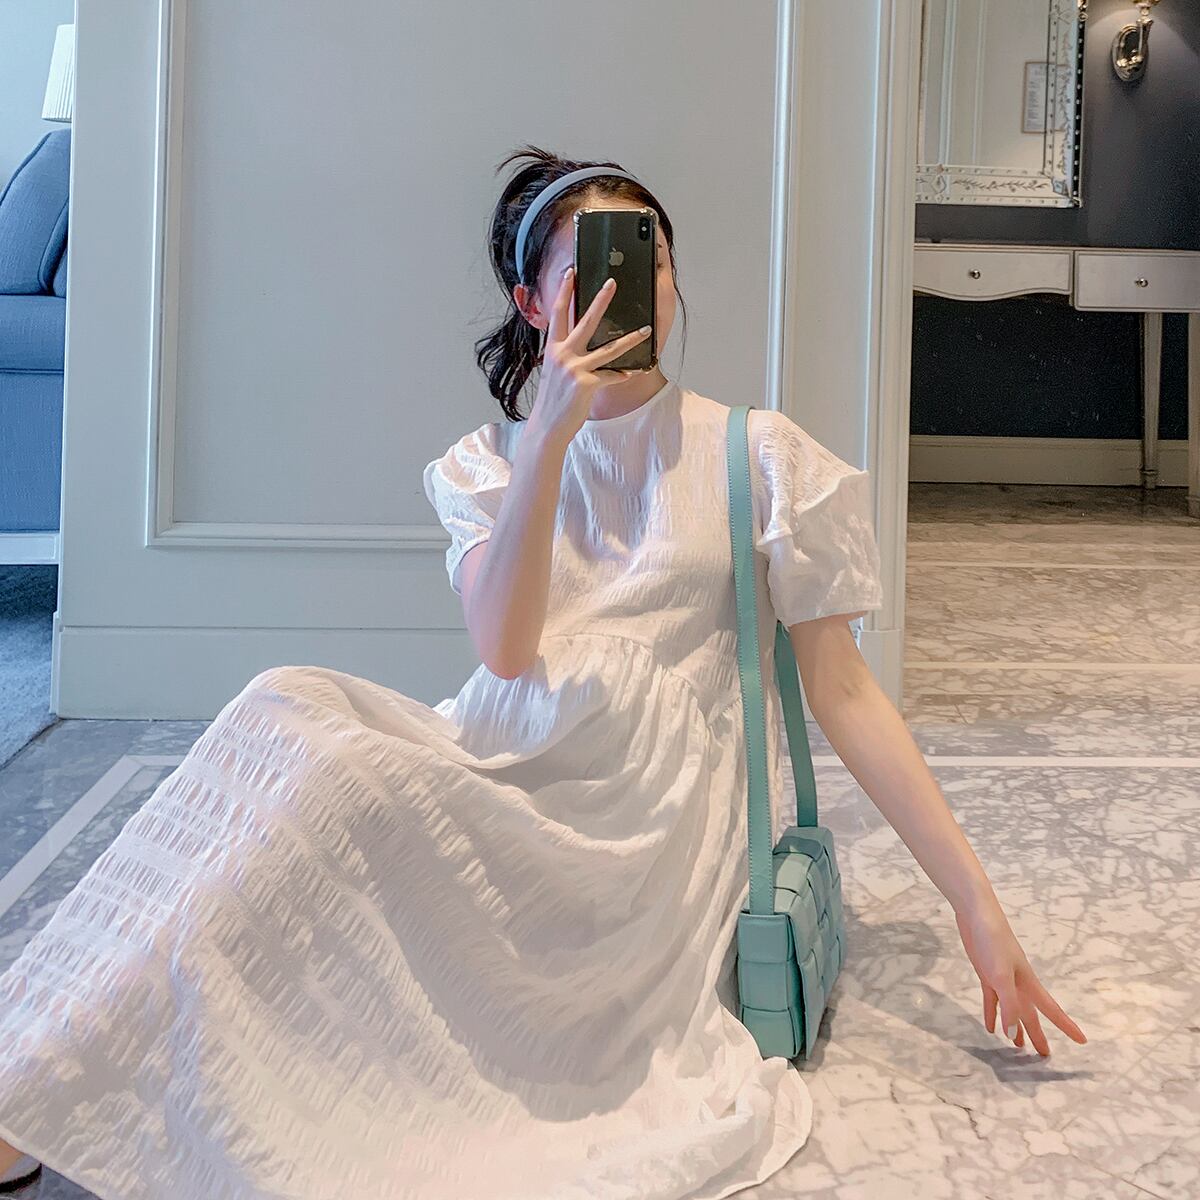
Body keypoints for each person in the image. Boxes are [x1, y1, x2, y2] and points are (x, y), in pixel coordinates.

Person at [0, 145, 1086, 1199]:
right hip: (502, 761)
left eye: (649, 259)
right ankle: (35, 1076)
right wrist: (549, 443)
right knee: (282, 715)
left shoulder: (757, 455)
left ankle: (43, 1089)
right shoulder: (491, 464)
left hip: (642, 827)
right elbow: (508, 650)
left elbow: (843, 693)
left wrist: (974, 903)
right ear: (533, 305)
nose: (632, 289)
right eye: (592, 272)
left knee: (331, 789)